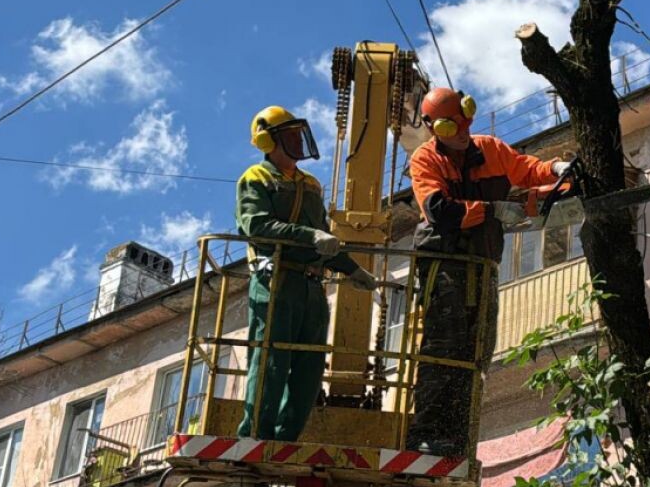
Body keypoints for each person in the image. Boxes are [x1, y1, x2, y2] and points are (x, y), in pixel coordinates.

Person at [407, 88, 569, 455]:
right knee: (444, 345)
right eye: (451, 125)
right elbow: (439, 210)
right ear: (435, 128)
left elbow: (527, 170)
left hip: (483, 262)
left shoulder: (490, 148)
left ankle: (457, 434)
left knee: (477, 348)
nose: (462, 129)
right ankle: (426, 432)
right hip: (445, 262)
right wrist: (492, 210)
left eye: (465, 117)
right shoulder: (425, 160)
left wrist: (557, 170)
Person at [236, 105, 377, 441]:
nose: (298, 143)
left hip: (312, 285)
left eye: (299, 135)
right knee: (271, 361)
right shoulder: (256, 178)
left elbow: (324, 237)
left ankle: (285, 438)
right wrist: (310, 237)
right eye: (290, 136)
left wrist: (351, 269)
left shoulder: (310, 184)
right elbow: (256, 225)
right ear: (269, 141)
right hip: (276, 280)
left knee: (309, 369)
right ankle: (255, 434)